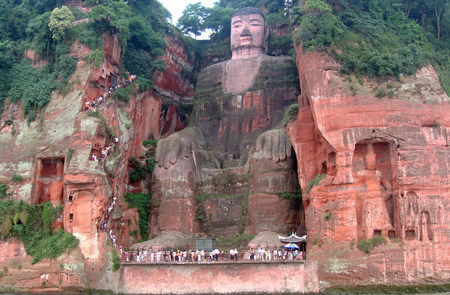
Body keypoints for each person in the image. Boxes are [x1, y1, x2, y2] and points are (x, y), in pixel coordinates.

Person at [152, 7, 299, 240]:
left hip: (258, 151)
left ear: (267, 31)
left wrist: (281, 131)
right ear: (230, 32)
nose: (246, 30)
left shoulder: (282, 66)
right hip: (213, 156)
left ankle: (268, 231)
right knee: (173, 155)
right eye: (238, 25)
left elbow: (294, 114)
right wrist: (179, 137)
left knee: (271, 154)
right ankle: (174, 233)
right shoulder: (209, 75)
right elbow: (197, 126)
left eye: (254, 23)